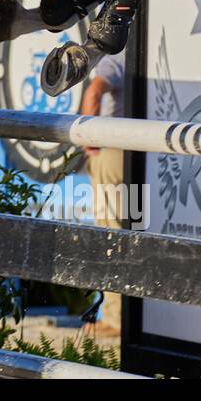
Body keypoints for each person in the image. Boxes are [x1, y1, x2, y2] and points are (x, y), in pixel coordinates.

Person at [79, 49, 127, 331]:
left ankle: (115, 319)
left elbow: (94, 93)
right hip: (150, 148)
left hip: (114, 150)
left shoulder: (117, 57)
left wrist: (90, 138)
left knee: (112, 232)